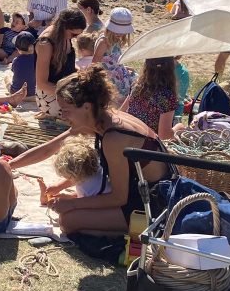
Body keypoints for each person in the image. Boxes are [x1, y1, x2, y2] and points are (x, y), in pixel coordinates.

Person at [9, 66, 168, 236]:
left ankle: (134, 235)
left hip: (153, 204)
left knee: (68, 221)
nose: (62, 116)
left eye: (66, 111)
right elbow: (49, 148)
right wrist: (8, 165)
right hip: (142, 191)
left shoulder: (114, 137)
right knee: (71, 208)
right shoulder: (101, 117)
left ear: (86, 106)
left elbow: (119, 198)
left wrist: (74, 204)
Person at [34, 9, 86, 117]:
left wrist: (81, 72)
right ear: (64, 27)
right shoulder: (46, 44)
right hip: (50, 94)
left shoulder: (65, 36)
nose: (74, 38)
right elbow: (42, 83)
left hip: (65, 87)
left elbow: (65, 63)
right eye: (73, 34)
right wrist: (69, 96)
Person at [121, 56, 180, 140]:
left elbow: (121, 112)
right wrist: (179, 127)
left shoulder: (137, 87)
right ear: (171, 68)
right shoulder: (167, 96)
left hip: (129, 137)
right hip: (147, 146)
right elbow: (164, 136)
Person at [38, 136, 103, 204]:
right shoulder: (96, 167)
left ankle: (46, 199)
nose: (65, 177)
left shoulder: (87, 188)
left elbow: (84, 202)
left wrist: (69, 198)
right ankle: (47, 197)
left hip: (93, 200)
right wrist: (58, 187)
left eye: (67, 176)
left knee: (64, 203)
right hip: (91, 194)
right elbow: (77, 175)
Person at [93, 7, 137, 100]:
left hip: (118, 75)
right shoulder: (104, 42)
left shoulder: (115, 40)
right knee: (120, 99)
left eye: (123, 32)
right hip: (110, 78)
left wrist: (123, 67)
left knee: (136, 82)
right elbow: (94, 64)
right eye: (118, 31)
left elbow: (113, 60)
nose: (120, 34)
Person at [11, 31, 37, 96]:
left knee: (7, 79)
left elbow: (15, 71)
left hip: (17, 93)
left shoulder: (16, 60)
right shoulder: (37, 60)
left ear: (17, 48)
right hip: (33, 93)